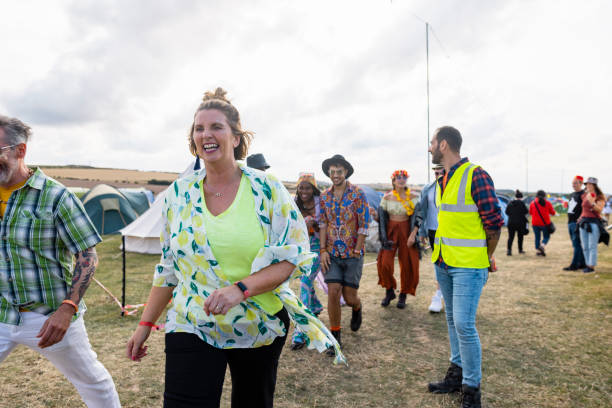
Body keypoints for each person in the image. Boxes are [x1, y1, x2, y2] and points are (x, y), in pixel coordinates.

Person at [126, 88, 344, 408]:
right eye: (199, 128)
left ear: (236, 137)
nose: (206, 134)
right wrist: (145, 325)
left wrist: (239, 290)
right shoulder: (178, 194)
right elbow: (168, 267)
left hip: (258, 324)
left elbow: (291, 258)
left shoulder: (266, 189)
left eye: (216, 127)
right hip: (192, 322)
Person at [0, 115, 121, 408]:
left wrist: (67, 309)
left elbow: (87, 255)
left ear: (20, 150)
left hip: (49, 316)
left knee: (93, 383)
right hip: (2, 312)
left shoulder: (55, 196)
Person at [426, 126, 503, 408]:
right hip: (444, 261)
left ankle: (472, 389)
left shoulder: (476, 175)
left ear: (443, 145)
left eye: (432, 142)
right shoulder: (445, 178)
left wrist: (486, 256)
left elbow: (494, 223)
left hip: (469, 266)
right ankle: (456, 375)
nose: (430, 147)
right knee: (452, 321)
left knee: (464, 325)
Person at [319, 154, 370, 352]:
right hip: (332, 253)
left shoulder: (358, 194)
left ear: (346, 172)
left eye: (339, 171)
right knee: (333, 292)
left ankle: (357, 307)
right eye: (332, 172)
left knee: (349, 297)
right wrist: (323, 250)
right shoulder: (325, 196)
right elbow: (323, 224)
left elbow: (364, 223)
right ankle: (335, 336)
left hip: (353, 254)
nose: (335, 175)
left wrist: (358, 248)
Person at [290, 172, 324, 350]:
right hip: (302, 249)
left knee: (304, 283)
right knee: (306, 283)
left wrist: (314, 223)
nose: (304, 191)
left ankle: (300, 331)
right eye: (301, 187)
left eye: (308, 187)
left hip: (317, 247)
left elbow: (327, 224)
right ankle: (316, 306)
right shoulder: (294, 204)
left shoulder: (321, 204)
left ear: (314, 188)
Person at [377, 170, 420, 309]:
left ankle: (403, 294)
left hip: (407, 229)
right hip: (391, 230)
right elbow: (382, 218)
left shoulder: (413, 196)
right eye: (398, 178)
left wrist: (413, 234)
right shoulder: (387, 197)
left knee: (407, 263)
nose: (401, 180)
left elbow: (419, 216)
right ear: (393, 181)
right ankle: (389, 290)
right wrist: (383, 236)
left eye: (404, 177)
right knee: (384, 263)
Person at [419, 164, 446, 313]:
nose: (438, 175)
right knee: (439, 263)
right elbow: (422, 211)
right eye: (436, 173)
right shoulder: (427, 189)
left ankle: (445, 295)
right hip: (433, 231)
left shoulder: (453, 188)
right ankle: (438, 295)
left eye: (441, 172)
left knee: (451, 264)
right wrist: (421, 232)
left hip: (451, 231)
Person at [577, 177, 606, 273]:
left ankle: (591, 266)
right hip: (584, 222)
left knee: (592, 245)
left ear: (595, 185)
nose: (588, 186)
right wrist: (580, 217)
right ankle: (587, 264)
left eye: (590, 184)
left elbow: (599, 209)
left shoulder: (600, 196)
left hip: (594, 223)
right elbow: (583, 209)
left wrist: (592, 202)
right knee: (584, 245)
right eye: (587, 184)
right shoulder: (585, 195)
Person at [563, 176, 586, 271]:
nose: (573, 185)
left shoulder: (583, 194)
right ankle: (582, 263)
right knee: (575, 244)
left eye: (576, 183)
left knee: (577, 244)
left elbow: (585, 207)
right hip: (570, 222)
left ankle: (574, 265)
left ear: (581, 183)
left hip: (577, 222)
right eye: (573, 183)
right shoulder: (573, 194)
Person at [529, 190, 556, 256]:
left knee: (537, 237)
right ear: (544, 196)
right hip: (545, 223)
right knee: (546, 236)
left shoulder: (532, 203)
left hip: (535, 223)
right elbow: (553, 213)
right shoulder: (547, 203)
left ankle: (538, 251)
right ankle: (542, 245)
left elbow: (530, 213)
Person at [505, 190, 528, 256]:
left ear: (515, 196)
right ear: (521, 197)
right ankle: (520, 250)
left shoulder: (510, 203)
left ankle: (509, 251)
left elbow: (506, 212)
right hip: (520, 223)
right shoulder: (522, 203)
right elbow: (526, 212)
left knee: (510, 237)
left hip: (511, 222)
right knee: (520, 237)